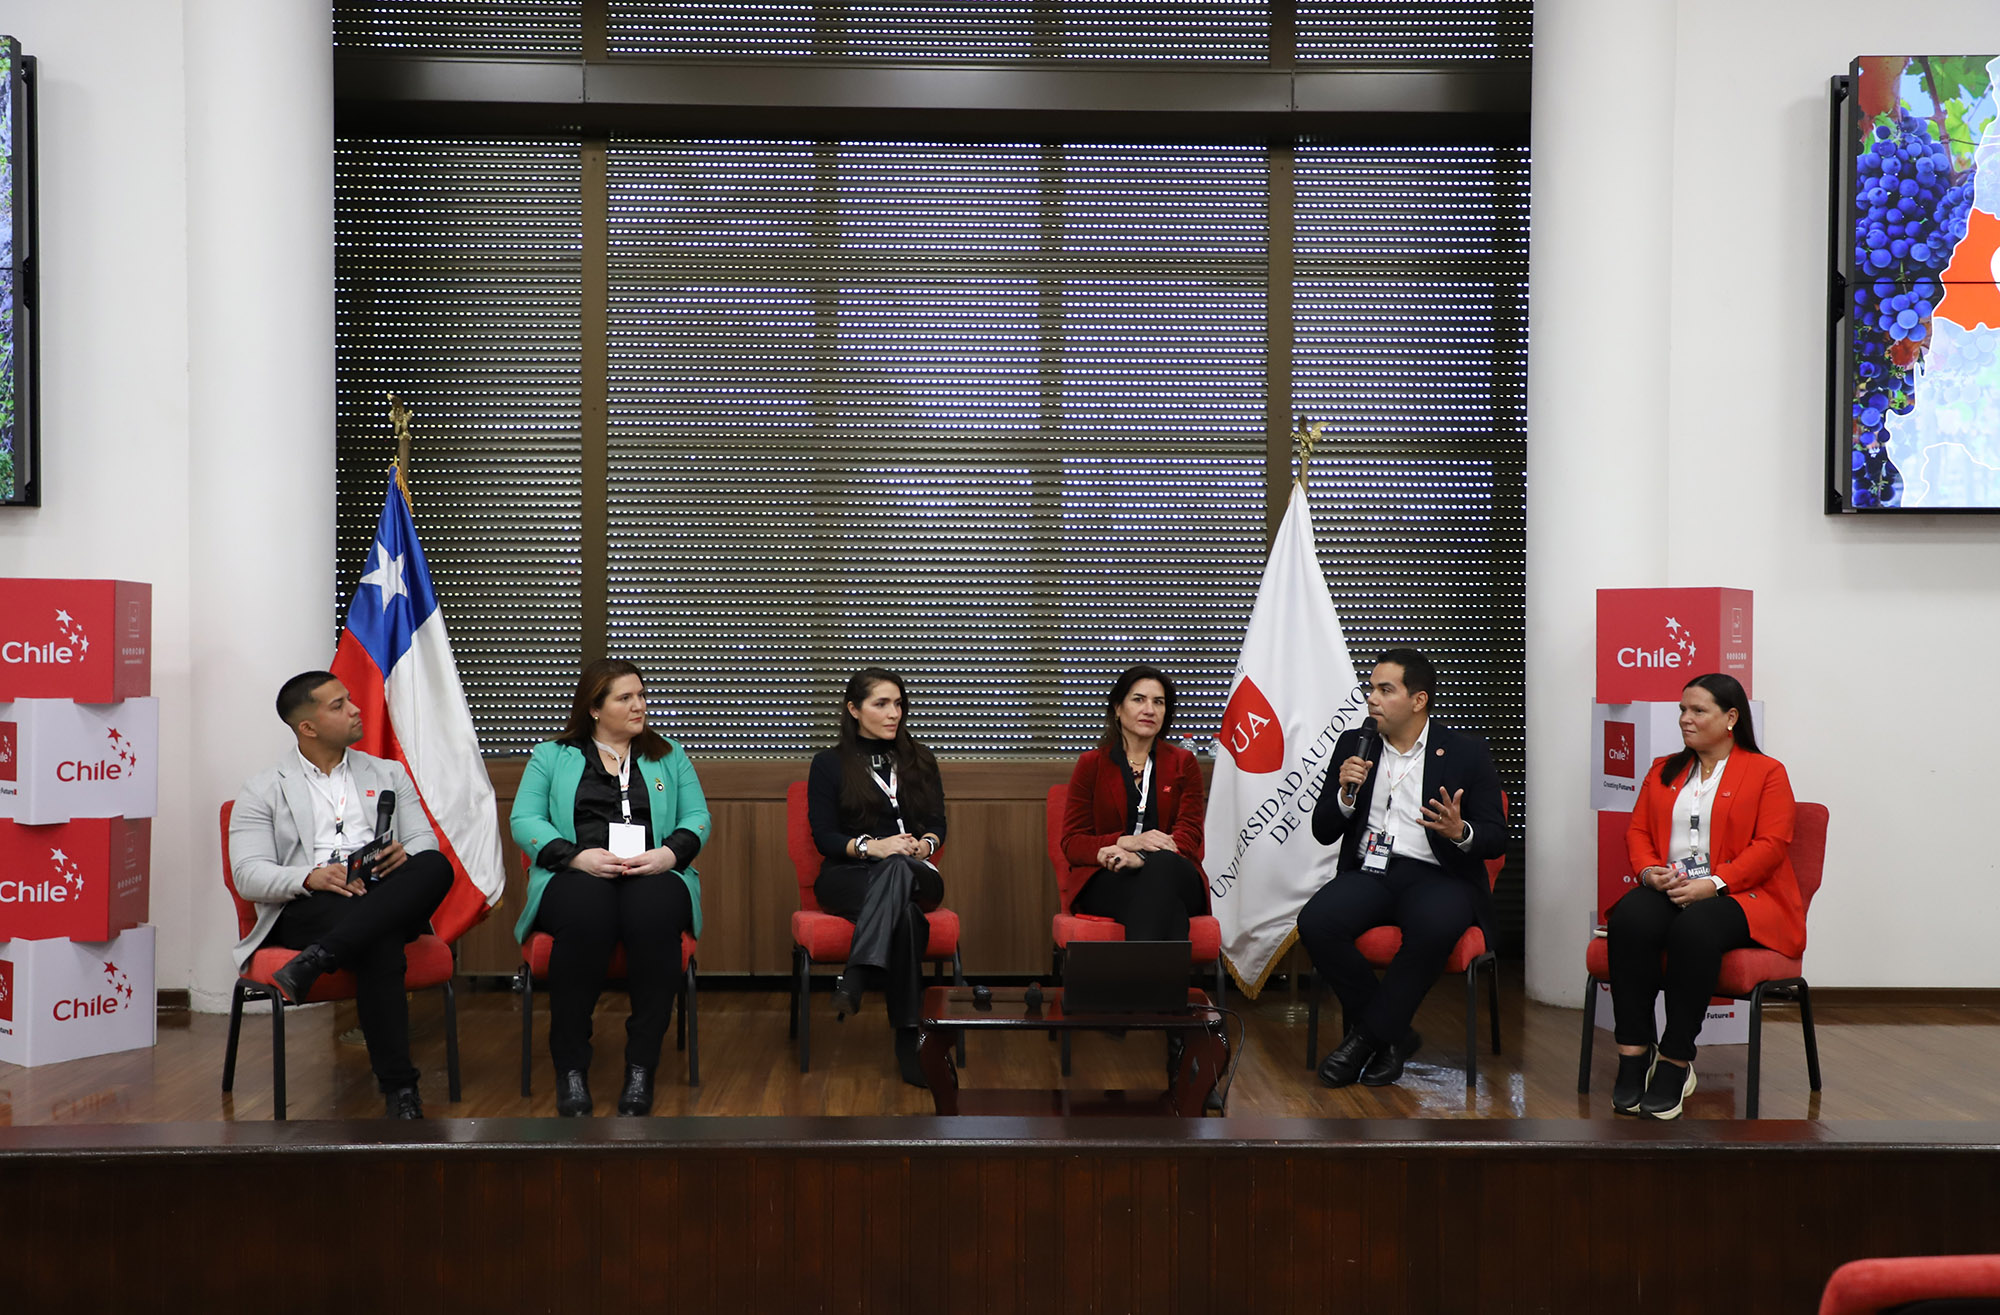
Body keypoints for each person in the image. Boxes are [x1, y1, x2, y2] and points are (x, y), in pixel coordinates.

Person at [228, 671, 454, 1119]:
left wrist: (401, 855)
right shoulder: (263, 789)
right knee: (379, 941)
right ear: (307, 727)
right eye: (338, 705)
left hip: (387, 889)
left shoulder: (388, 773)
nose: (355, 709)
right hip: (312, 904)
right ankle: (400, 1091)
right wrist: (310, 877)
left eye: (349, 699)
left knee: (436, 865)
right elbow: (247, 875)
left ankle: (319, 958)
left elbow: (425, 844)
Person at [1298, 647, 1508, 1089]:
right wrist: (1345, 793)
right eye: (1370, 688)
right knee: (1316, 922)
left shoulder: (1466, 752)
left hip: (1439, 874)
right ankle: (1393, 1037)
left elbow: (1494, 836)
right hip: (1372, 870)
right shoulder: (1355, 745)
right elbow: (1323, 830)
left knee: (1432, 929)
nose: (1371, 698)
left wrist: (1459, 831)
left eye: (1384, 689)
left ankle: (1363, 1041)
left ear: (1419, 700)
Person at [510, 659, 712, 1117]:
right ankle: (571, 1068)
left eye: (641, 695)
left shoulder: (669, 754)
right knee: (586, 913)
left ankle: (641, 1065)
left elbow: (698, 817)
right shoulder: (552, 755)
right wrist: (575, 856)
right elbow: (524, 820)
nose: (640, 705)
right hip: (576, 872)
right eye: (626, 698)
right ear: (595, 708)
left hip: (654, 871)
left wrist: (668, 855)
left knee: (653, 913)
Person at [1607, 672, 1799, 1120]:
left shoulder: (1767, 773)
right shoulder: (1663, 769)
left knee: (1696, 926)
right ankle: (1633, 1056)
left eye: (1698, 711)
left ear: (1731, 717)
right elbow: (1637, 831)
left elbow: (1772, 846)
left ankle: (1675, 1061)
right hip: (1671, 884)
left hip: (1742, 894)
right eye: (1682, 710)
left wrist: (1712, 884)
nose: (1685, 720)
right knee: (1631, 917)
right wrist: (1649, 872)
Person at [1058, 663, 1211, 1079]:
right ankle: (1178, 1040)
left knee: (1160, 871)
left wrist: (1144, 857)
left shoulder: (1183, 763)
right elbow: (1072, 843)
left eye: (1159, 702)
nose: (1150, 709)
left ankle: (1127, 999)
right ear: (1117, 709)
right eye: (1139, 699)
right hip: (1110, 879)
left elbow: (1190, 838)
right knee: (1166, 906)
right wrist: (1124, 843)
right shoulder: (1091, 765)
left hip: (1175, 870)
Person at [806, 666, 947, 1088]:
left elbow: (937, 823)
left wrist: (923, 846)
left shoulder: (919, 758)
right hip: (849, 874)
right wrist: (874, 847)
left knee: (900, 868)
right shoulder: (828, 765)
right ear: (854, 709)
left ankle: (857, 975)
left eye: (899, 704)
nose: (894, 714)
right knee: (904, 917)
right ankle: (909, 1038)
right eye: (881, 704)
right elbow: (825, 837)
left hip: (918, 872)